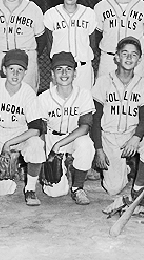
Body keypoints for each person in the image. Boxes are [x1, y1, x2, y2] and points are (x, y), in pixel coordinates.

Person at [91, 37, 144, 196]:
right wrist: (99, 149)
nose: (129, 58)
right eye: (125, 53)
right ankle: (127, 168)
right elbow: (95, 119)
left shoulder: (142, 84)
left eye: (134, 55)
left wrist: (136, 137)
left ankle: (138, 186)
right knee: (113, 189)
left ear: (138, 60)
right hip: (110, 137)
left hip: (132, 133)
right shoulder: (103, 82)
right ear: (116, 57)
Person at [0, 49, 46, 205]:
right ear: (4, 70)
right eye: (11, 69)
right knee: (2, 192)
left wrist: (10, 144)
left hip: (19, 134)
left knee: (36, 144)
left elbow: (36, 129)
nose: (15, 74)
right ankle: (13, 166)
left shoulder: (28, 93)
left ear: (25, 73)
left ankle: (30, 189)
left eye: (20, 70)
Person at [37, 52, 95, 204]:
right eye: (59, 69)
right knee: (55, 193)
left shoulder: (84, 94)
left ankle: (77, 187)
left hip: (73, 138)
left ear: (75, 73)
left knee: (86, 144)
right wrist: (44, 158)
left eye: (68, 69)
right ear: (52, 74)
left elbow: (84, 128)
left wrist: (59, 144)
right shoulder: (44, 97)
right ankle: (66, 167)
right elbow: (40, 130)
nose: (64, 73)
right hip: (52, 138)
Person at [44, 0, 96, 89]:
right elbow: (49, 44)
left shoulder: (89, 14)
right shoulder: (51, 14)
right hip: (61, 69)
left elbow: (92, 44)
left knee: (84, 105)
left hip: (83, 69)